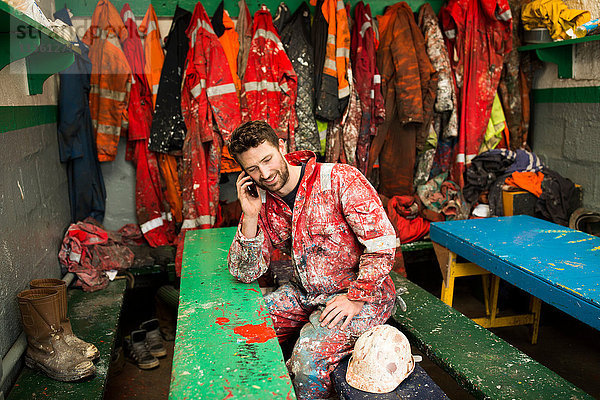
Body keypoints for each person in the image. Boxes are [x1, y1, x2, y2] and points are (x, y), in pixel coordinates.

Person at [227, 120, 397, 399]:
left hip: (361, 295)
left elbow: (382, 244)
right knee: (244, 333)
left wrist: (356, 296)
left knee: (308, 360)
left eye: (267, 160)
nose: (265, 174)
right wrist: (250, 214)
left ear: (282, 146)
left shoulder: (340, 178)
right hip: (305, 293)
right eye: (253, 169)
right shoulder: (263, 201)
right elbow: (246, 272)